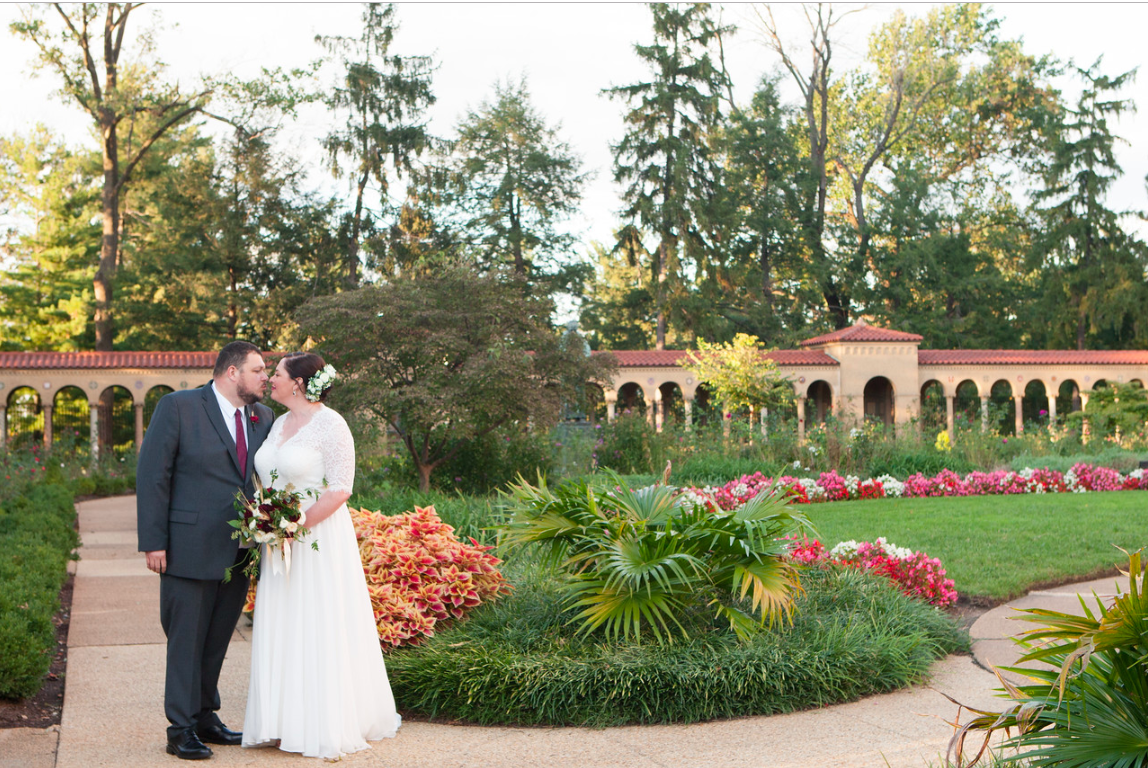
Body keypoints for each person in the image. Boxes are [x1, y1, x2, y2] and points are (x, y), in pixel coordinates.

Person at [242, 351, 400, 759]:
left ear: (297, 382)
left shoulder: (332, 424)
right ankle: (281, 721)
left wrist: (295, 526)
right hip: (280, 542)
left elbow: (340, 488)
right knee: (283, 621)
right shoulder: (277, 423)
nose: (269, 380)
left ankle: (320, 722)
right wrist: (269, 521)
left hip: (315, 539)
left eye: (275, 373)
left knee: (315, 620)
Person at [137, 341, 274, 760]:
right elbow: (152, 474)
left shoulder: (262, 417)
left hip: (239, 549)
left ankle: (205, 717)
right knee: (185, 640)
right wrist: (154, 540)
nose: (265, 378)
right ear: (232, 373)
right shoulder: (178, 407)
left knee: (216, 639)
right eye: (258, 370)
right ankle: (179, 729)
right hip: (187, 546)